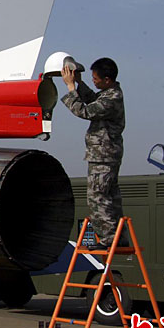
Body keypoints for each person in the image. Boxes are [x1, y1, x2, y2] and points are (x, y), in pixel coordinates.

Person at [61, 57, 126, 250]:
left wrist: (71, 88)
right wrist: (80, 83)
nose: (94, 81)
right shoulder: (109, 94)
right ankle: (118, 237)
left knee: (97, 196)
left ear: (107, 79)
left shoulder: (111, 99)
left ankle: (108, 238)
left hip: (103, 155)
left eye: (96, 79)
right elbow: (93, 99)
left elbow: (85, 111)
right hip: (107, 154)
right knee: (110, 196)